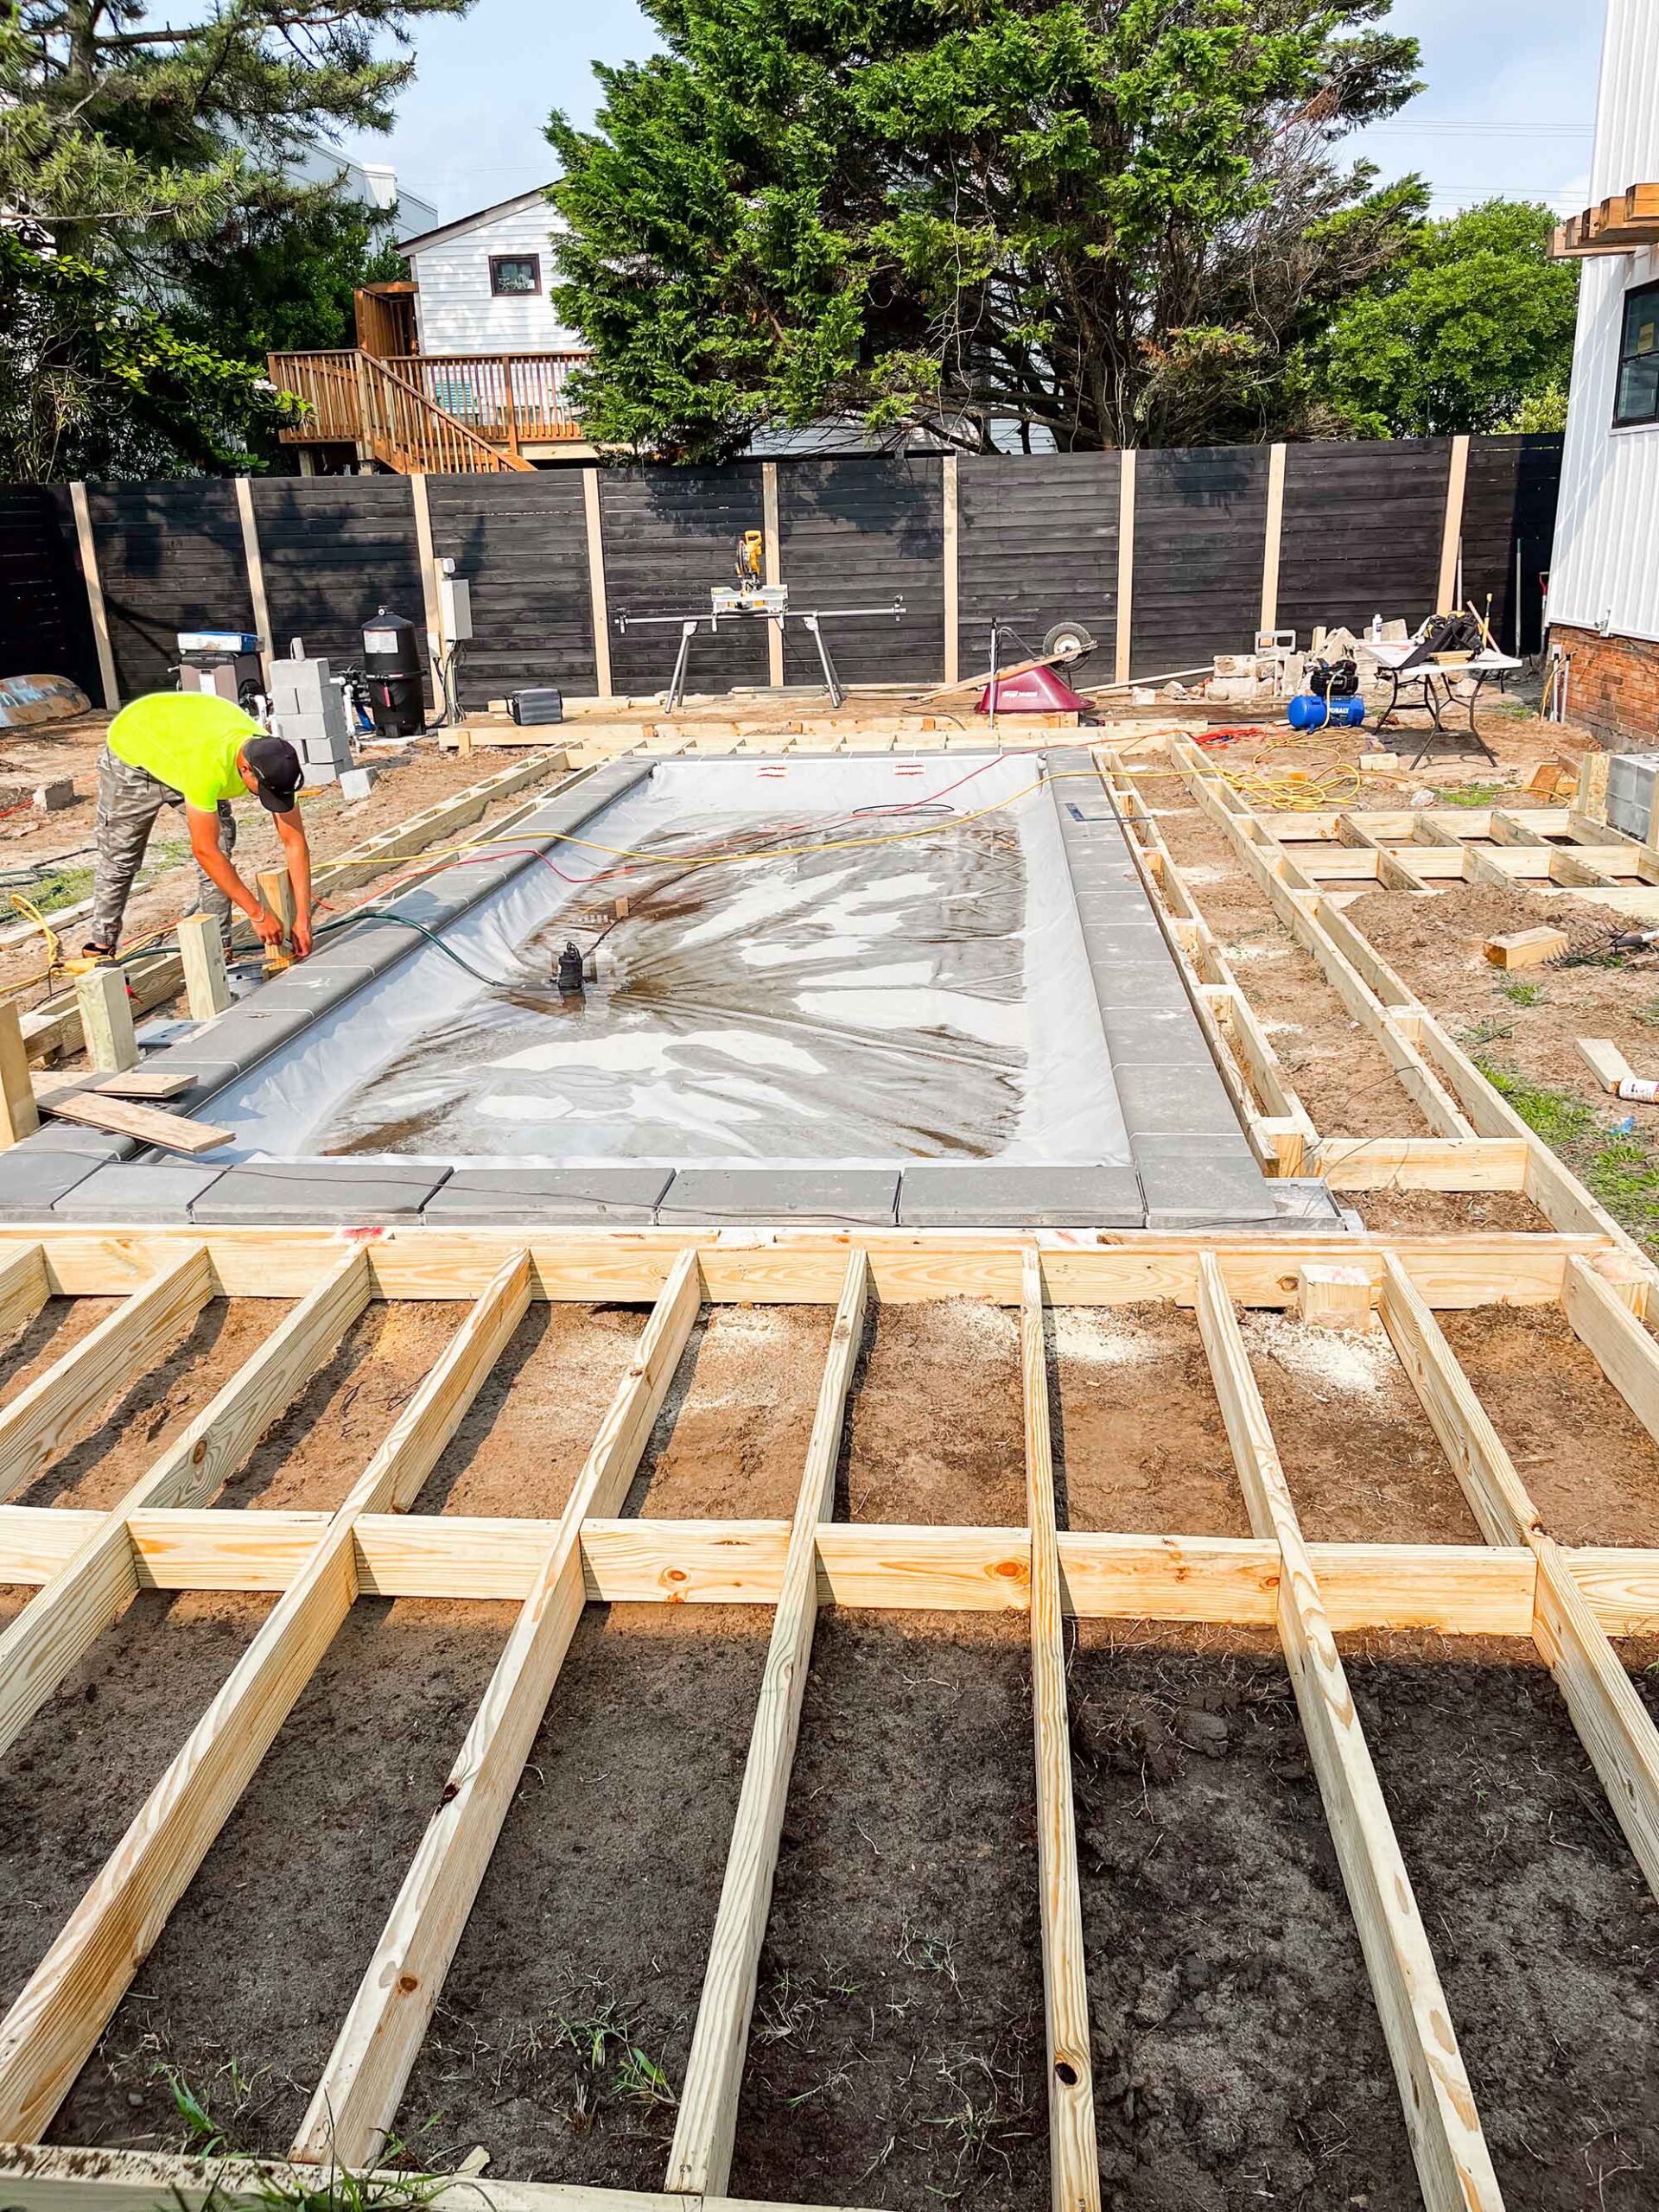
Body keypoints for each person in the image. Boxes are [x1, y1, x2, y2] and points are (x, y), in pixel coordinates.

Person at [85, 690, 314, 963]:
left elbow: (295, 842)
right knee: (121, 857)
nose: (270, 800)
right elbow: (204, 851)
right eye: (263, 792)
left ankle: (218, 948)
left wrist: (303, 917)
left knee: (222, 846)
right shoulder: (208, 769)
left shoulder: (276, 761)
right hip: (135, 755)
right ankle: (100, 945)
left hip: (184, 748)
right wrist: (258, 915)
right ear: (245, 770)